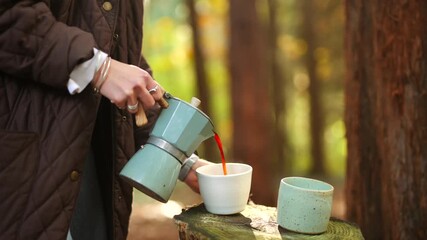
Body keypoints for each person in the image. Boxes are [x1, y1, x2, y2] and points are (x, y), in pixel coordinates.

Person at [0, 1, 209, 239]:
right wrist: (100, 69)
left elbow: (122, 57)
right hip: (22, 169)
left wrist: (184, 161)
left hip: (93, 171)